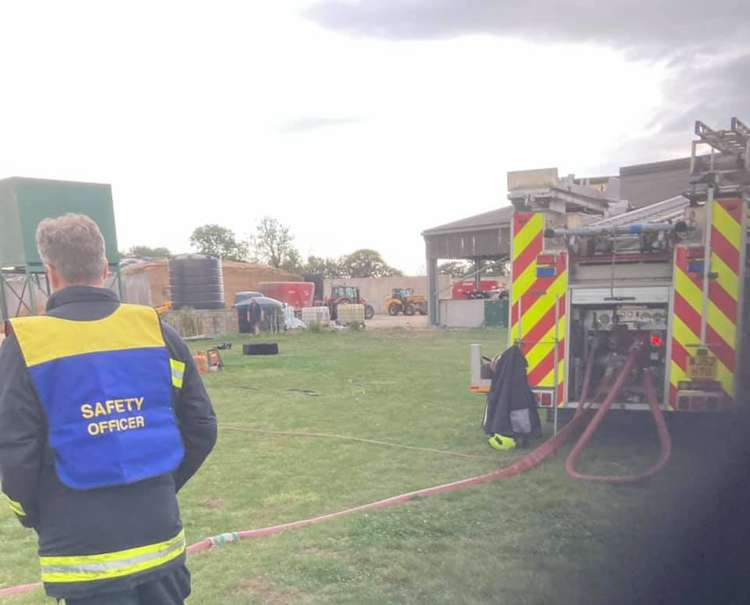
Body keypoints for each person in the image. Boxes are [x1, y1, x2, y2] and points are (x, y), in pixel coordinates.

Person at [0, 214, 217, 605]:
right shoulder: (156, 332)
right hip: (158, 538)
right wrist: (161, 483)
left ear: (50, 272)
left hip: (82, 551)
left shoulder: (26, 346)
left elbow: (15, 453)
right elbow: (201, 427)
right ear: (104, 268)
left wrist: (35, 512)